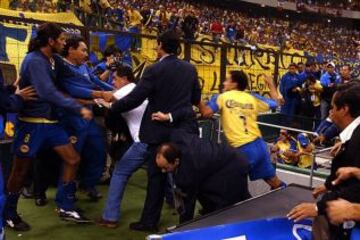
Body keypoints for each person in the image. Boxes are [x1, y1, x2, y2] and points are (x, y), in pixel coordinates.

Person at [109, 30, 201, 231]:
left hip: (158, 133)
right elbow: (195, 99)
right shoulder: (190, 69)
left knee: (156, 178)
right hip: (184, 131)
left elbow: (135, 99)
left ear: (160, 45)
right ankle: (187, 225)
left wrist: (112, 107)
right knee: (186, 178)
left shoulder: (153, 70)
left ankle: (149, 222)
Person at [5, 23, 92, 231]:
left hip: (51, 124)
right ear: (50, 41)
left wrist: (100, 90)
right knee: (19, 171)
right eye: (61, 40)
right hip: (31, 124)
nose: (64, 43)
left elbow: (74, 77)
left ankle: (65, 206)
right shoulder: (34, 60)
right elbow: (46, 92)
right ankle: (9, 214)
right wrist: (77, 108)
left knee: (73, 159)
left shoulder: (54, 60)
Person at [288, 82, 360, 239]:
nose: (330, 111)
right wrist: (328, 185)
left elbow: (356, 190)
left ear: (345, 109)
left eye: (333, 106)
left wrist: (318, 207)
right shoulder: (350, 136)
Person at [200, 71, 285, 189]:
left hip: (241, 149)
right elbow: (277, 103)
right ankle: (288, 201)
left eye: (227, 80)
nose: (224, 83)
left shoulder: (221, 97)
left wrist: (195, 96)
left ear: (234, 84)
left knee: (221, 182)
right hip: (259, 145)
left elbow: (206, 113)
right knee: (274, 182)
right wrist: (270, 84)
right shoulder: (252, 97)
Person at [59, 36, 114, 201]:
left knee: (98, 151)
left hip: (88, 119)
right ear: (71, 50)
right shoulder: (62, 69)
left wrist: (117, 92)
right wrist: (96, 98)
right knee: (72, 158)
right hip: (72, 119)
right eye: (83, 50)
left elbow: (96, 81)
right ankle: (67, 193)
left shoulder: (83, 67)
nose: (86, 53)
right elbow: (67, 94)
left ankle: (88, 184)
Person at [155, 130, 250, 223]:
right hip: (221, 160)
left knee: (228, 205)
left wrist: (183, 227)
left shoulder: (188, 170)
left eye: (165, 167)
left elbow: (189, 202)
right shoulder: (176, 137)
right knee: (206, 191)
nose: (163, 171)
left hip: (234, 165)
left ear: (176, 161)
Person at [96, 65, 149, 228]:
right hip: (153, 139)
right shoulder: (136, 90)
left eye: (115, 78)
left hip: (142, 141)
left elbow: (106, 98)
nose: (113, 82)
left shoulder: (127, 90)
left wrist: (92, 95)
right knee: (159, 173)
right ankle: (175, 203)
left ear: (125, 79)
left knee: (119, 173)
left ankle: (110, 218)